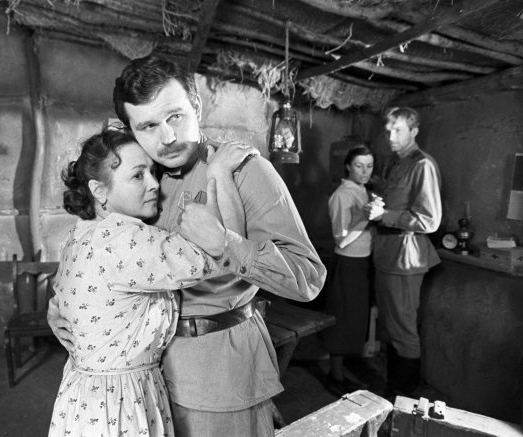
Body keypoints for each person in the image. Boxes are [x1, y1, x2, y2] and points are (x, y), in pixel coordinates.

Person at [48, 55, 326, 436]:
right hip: (141, 384)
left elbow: (308, 278)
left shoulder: (246, 172)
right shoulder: (136, 177)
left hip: (218, 376)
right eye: (148, 126)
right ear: (130, 129)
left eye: (175, 116)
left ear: (196, 106)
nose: (166, 137)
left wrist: (228, 245)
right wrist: (63, 310)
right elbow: (94, 251)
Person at [48, 129, 250, 436]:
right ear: (99, 190)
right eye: (137, 175)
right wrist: (220, 173)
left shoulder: (80, 232)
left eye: (153, 172)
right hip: (120, 402)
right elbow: (224, 249)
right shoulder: (123, 239)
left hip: (82, 396)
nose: (155, 184)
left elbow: (66, 294)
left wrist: (54, 312)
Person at [363, 106, 442, 397]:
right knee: (392, 330)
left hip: (405, 259)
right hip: (388, 256)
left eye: (398, 130)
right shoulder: (399, 164)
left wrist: (384, 216)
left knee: (403, 332)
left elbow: (429, 220)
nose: (391, 137)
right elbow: (396, 203)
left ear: (414, 131)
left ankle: (404, 400)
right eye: (388, 131)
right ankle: (393, 392)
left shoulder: (423, 165)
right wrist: (377, 204)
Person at [323, 144, 375, 396]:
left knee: (355, 319)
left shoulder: (363, 191)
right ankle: (335, 377)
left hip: (363, 262)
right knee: (343, 319)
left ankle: (342, 373)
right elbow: (341, 239)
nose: (365, 171)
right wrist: (367, 217)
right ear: (348, 167)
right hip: (348, 263)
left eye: (369, 166)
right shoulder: (342, 195)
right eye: (359, 166)